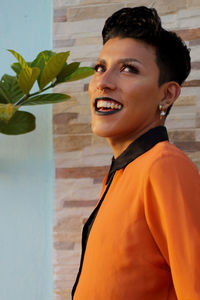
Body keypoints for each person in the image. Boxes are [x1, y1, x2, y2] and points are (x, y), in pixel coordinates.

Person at [72, 6, 200, 300]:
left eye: (129, 69)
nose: (103, 82)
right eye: (100, 67)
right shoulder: (123, 173)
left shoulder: (164, 166)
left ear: (166, 95)